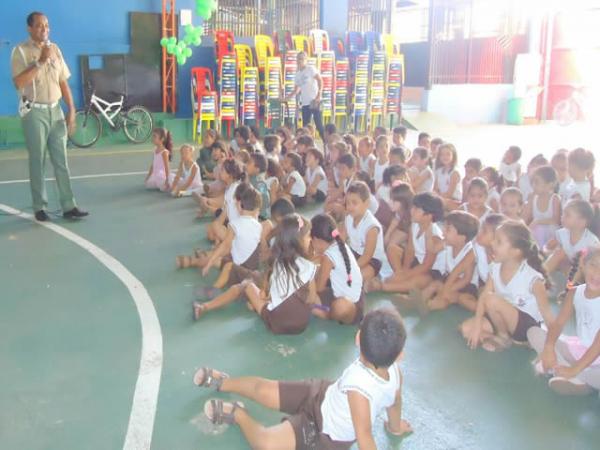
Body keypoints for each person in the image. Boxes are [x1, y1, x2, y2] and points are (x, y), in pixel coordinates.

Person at [195, 308, 411, 449]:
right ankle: (223, 382)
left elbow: (365, 437)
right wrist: (395, 427)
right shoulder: (395, 372)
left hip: (322, 432)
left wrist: (394, 426)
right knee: (263, 388)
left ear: (357, 339)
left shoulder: (359, 392)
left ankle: (238, 414)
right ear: (400, 355)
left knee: (266, 444)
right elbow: (395, 401)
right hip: (322, 394)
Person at [11, 11, 88, 221]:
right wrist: (39, 62)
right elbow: (18, 82)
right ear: (30, 28)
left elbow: (63, 81)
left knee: (61, 159)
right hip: (34, 112)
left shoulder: (55, 49)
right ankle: (40, 207)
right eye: (39, 26)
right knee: (38, 159)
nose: (44, 29)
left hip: (56, 111)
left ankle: (69, 205)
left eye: (46, 25)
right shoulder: (20, 52)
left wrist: (71, 109)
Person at [194, 214, 317, 335]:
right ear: (297, 241)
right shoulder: (310, 266)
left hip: (277, 323)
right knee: (255, 289)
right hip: (301, 324)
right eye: (309, 236)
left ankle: (205, 306)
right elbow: (311, 298)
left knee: (247, 285)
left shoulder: (275, 264)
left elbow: (264, 295)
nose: (311, 239)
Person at [461, 221, 554, 352]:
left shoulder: (533, 279)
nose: (492, 244)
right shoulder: (495, 267)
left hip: (526, 327)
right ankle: (507, 338)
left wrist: (551, 347)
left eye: (498, 242)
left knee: (491, 300)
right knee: (466, 329)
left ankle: (504, 337)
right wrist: (477, 326)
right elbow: (482, 298)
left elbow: (548, 316)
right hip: (502, 318)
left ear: (515, 252)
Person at [528, 246, 600, 395]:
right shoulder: (575, 292)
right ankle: (567, 372)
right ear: (583, 264)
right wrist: (548, 348)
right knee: (534, 333)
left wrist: (575, 369)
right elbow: (558, 323)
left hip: (596, 358)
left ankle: (577, 377)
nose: (598, 273)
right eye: (594, 265)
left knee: (595, 374)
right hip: (580, 349)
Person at [310, 213, 364, 325]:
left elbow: (319, 288)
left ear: (316, 239)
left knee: (309, 296)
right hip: (359, 302)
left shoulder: (328, 257)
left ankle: (326, 314)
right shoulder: (340, 245)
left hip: (344, 307)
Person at [289, 51, 324, 141]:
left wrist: (319, 94)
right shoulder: (297, 74)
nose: (299, 61)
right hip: (305, 103)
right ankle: (307, 146)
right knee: (305, 127)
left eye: (301, 59)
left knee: (319, 125)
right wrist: (287, 98)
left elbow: (320, 80)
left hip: (315, 101)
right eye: (298, 59)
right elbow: (296, 90)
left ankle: (326, 143)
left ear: (306, 60)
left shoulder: (311, 69)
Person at [523, 165, 561, 248]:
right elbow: (525, 217)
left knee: (539, 228)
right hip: (536, 232)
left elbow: (556, 220)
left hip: (551, 234)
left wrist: (538, 221)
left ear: (550, 185)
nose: (533, 185)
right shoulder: (533, 198)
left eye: (537, 182)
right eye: (532, 182)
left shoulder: (554, 198)